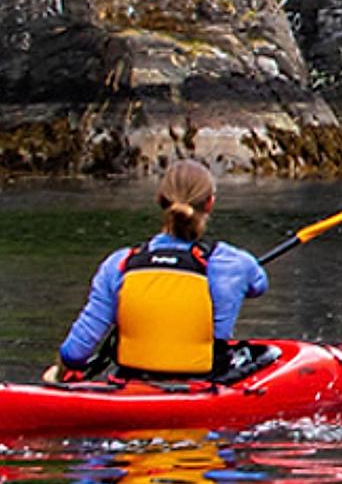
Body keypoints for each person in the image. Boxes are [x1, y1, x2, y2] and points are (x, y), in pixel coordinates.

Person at [48, 160, 271, 382]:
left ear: (159, 200)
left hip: (133, 383)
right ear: (210, 204)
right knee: (265, 356)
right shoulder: (234, 263)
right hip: (203, 383)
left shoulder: (120, 264)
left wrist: (58, 374)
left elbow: (75, 353)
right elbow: (258, 286)